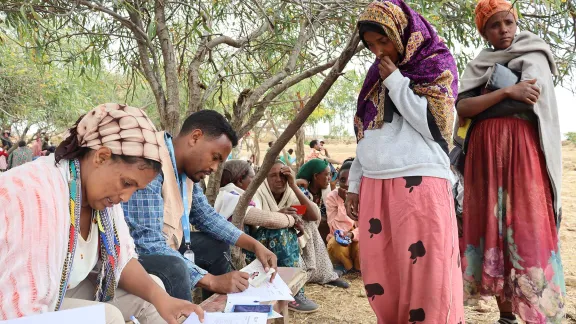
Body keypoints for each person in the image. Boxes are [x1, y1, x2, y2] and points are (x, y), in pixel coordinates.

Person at [0, 103, 204, 323]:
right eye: (127, 183)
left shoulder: (100, 197)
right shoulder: (34, 192)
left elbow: (122, 260)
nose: (126, 197)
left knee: (153, 294)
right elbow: (20, 307)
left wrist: (161, 298)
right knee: (109, 317)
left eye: (135, 189)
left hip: (55, 293)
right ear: (102, 157)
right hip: (16, 304)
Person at [345, 1, 465, 323]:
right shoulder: (375, 75)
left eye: (383, 41)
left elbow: (436, 128)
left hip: (420, 182)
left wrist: (397, 82)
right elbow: (368, 135)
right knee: (384, 278)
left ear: (403, 33)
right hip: (375, 185)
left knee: (428, 279)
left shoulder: (436, 63)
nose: (378, 50)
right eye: (370, 45)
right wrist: (354, 184)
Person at [454, 0, 565, 322]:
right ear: (483, 31)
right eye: (494, 25)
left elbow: (532, 100)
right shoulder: (480, 62)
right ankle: (506, 316)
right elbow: (461, 108)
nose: (503, 30)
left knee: (525, 226)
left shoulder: (535, 54)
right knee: (492, 229)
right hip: (484, 156)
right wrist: (505, 93)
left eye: (508, 23)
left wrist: (487, 102)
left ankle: (535, 311)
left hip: (522, 151)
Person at [122, 110, 278, 302]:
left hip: (167, 247)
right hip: (136, 257)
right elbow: (147, 245)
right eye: (215, 157)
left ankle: (219, 311)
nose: (214, 168)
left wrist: (254, 245)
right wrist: (212, 281)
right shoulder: (151, 163)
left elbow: (206, 217)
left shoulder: (185, 170)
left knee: (216, 245)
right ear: (195, 137)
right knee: (174, 267)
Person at [214, 159, 319, 313]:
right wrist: (290, 220)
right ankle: (292, 293)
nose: (279, 179)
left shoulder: (287, 194)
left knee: (305, 227)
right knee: (282, 232)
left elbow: (313, 215)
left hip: (255, 247)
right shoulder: (238, 194)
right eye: (273, 176)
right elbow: (266, 219)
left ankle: (292, 288)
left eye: (283, 176)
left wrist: (294, 186)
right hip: (245, 252)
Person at [295, 159, 349, 288]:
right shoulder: (301, 191)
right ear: (315, 176)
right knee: (312, 222)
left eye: (331, 175)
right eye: (327, 174)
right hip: (299, 226)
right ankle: (314, 273)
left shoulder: (325, 192)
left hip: (316, 230)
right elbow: (299, 212)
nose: (330, 178)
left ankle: (326, 273)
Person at [325, 159, 360, 274]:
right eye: (343, 180)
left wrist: (353, 234)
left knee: (363, 245)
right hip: (341, 238)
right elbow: (336, 229)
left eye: (350, 180)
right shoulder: (332, 197)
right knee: (336, 244)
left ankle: (358, 267)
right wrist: (344, 202)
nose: (346, 184)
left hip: (357, 236)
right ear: (338, 180)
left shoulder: (363, 195)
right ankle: (348, 267)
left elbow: (366, 227)